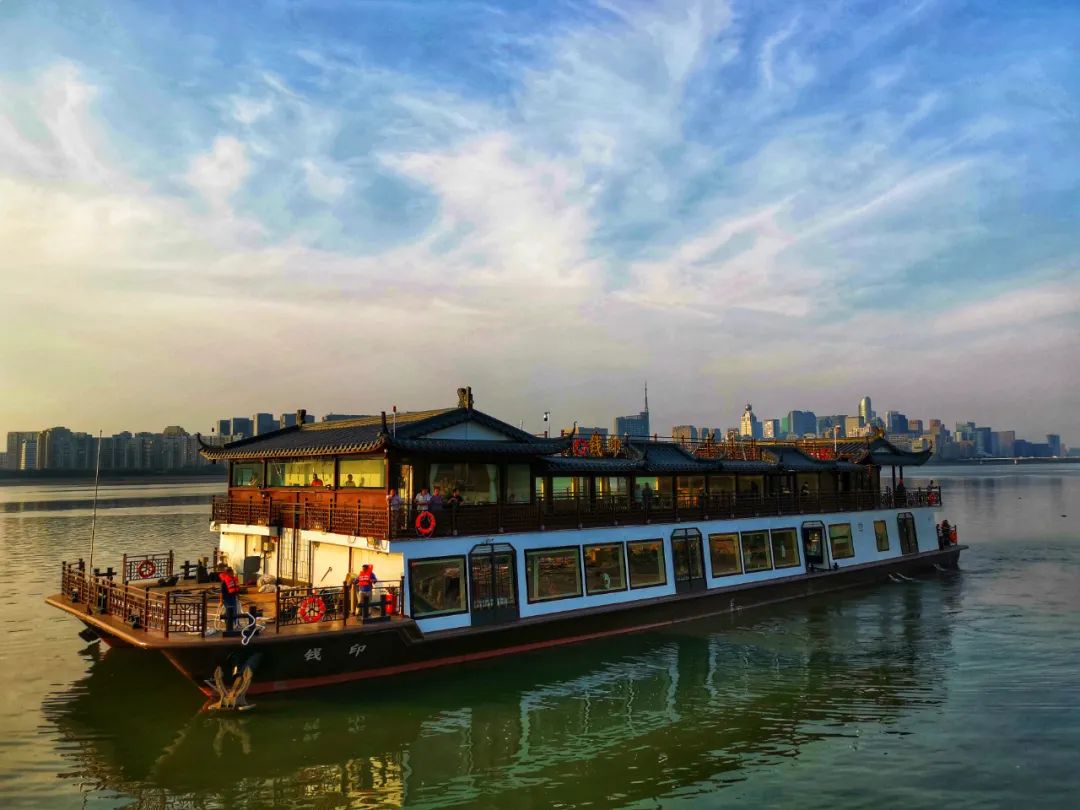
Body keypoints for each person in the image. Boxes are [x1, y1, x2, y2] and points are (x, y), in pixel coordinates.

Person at [219, 566, 240, 635]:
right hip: (226, 598)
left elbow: (236, 589)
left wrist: (237, 596)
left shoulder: (233, 579)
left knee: (235, 610)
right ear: (227, 573)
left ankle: (236, 624)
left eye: (232, 571)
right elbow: (221, 592)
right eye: (231, 572)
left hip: (233, 597)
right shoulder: (224, 581)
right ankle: (228, 625)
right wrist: (221, 601)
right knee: (229, 611)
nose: (232, 573)